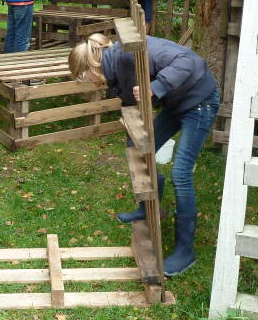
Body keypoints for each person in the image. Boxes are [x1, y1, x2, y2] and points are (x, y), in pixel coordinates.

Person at [68, 33, 219, 276]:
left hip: (199, 102)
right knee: (138, 146)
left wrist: (156, 87)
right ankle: (150, 208)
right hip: (176, 103)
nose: (87, 82)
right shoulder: (117, 66)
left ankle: (185, 251)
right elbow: (131, 94)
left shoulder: (129, 54)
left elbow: (188, 61)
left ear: (91, 65)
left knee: (180, 174)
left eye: (83, 76)